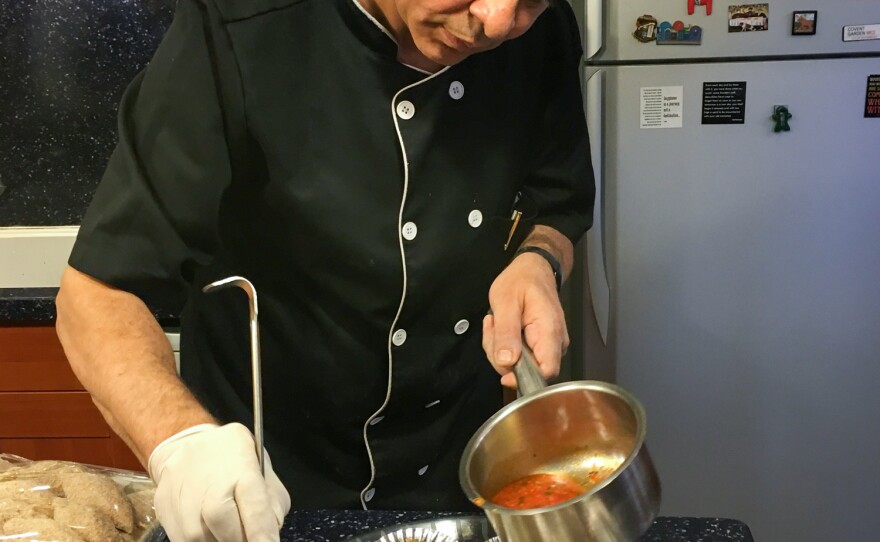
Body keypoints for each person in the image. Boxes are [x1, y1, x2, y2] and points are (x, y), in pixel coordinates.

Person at [55, 0, 595, 540]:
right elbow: (97, 294)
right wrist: (183, 443)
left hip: (452, 475)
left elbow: (556, 203)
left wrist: (537, 260)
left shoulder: (542, 33)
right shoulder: (239, 24)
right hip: (261, 490)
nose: (500, 22)